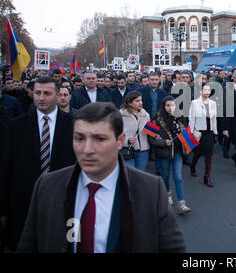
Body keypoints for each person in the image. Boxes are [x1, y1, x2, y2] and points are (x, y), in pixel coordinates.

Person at [16, 102, 186, 252]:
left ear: (120, 140)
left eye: (99, 139)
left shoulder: (150, 190)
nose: (87, 149)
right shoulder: (47, 186)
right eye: (79, 138)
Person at [0, 77, 76, 251]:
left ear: (58, 95)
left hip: (62, 199)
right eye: (37, 93)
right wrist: (2, 208)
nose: (41, 97)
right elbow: (5, 168)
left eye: (47, 93)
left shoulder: (73, 124)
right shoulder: (15, 126)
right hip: (23, 202)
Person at [149, 96, 191, 214]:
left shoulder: (181, 117)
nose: (170, 108)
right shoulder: (157, 117)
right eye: (168, 105)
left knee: (178, 176)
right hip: (164, 152)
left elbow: (187, 131)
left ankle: (182, 204)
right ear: (163, 106)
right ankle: (167, 195)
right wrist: (163, 142)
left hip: (177, 151)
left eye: (172, 105)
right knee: (165, 175)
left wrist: (190, 138)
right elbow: (150, 137)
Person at [188, 84, 218, 187]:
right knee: (198, 153)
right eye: (205, 90)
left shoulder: (213, 103)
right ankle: (192, 166)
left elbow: (214, 119)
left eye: (208, 90)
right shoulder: (195, 103)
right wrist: (191, 132)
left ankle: (207, 177)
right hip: (199, 132)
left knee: (209, 155)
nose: (207, 92)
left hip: (209, 132)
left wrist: (215, 131)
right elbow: (192, 118)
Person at [120, 91, 150, 171]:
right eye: (137, 101)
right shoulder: (121, 116)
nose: (140, 103)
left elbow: (150, 131)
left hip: (143, 151)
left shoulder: (145, 115)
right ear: (129, 103)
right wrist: (127, 140)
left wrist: (155, 135)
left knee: (140, 175)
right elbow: (115, 135)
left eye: (141, 100)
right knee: (129, 175)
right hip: (128, 149)